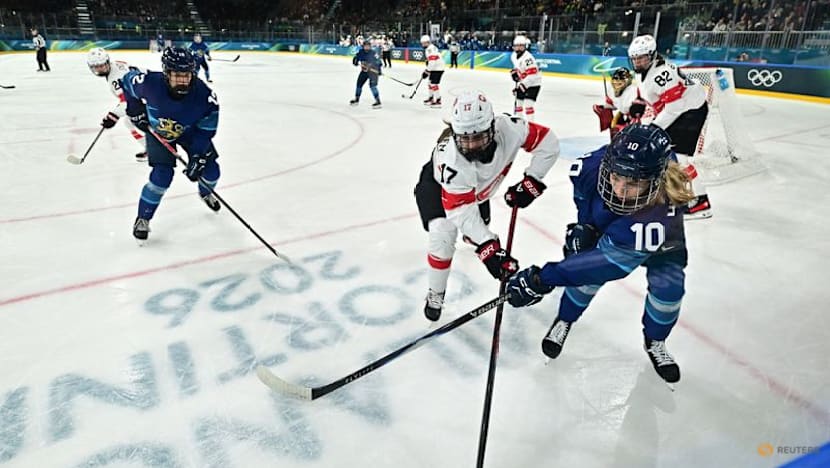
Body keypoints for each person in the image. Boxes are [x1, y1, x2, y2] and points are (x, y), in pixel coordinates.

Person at [507, 124, 694, 385]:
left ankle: (655, 340)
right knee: (583, 273)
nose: (619, 189)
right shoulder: (591, 167)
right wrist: (586, 226)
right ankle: (565, 318)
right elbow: (584, 198)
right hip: (614, 229)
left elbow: (608, 264)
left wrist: (543, 279)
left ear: (657, 180)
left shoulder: (661, 206)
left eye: (632, 183)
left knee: (668, 291)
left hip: (664, 243)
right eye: (615, 177)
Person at [414, 90, 560, 321]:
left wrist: (532, 180)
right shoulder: (449, 162)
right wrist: (488, 245)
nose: (471, 146)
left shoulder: (510, 129)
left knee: (479, 230)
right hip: (438, 186)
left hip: (478, 191)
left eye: (478, 137)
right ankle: (436, 292)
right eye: (464, 139)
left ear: (492, 128)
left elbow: (548, 143)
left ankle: (474, 236)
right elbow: (460, 211)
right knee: (442, 236)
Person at [120, 47, 221, 243]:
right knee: (161, 177)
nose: (183, 80)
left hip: (190, 133)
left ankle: (205, 192)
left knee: (212, 171)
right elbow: (126, 81)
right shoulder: (149, 83)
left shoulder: (204, 97)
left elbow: (207, 128)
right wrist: (135, 109)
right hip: (159, 134)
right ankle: (143, 217)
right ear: (166, 73)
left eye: (187, 75)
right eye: (177, 75)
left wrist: (198, 155)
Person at [628, 34, 711, 219]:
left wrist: (654, 128)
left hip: (691, 111)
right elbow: (654, 97)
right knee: (668, 154)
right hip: (682, 110)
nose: (637, 62)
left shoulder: (661, 73)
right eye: (634, 58)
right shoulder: (646, 71)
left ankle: (701, 201)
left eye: (641, 58)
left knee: (680, 158)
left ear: (652, 55)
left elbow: (674, 106)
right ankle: (677, 193)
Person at [86, 48, 148, 162]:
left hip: (148, 95)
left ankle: (155, 149)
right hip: (145, 92)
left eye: (102, 65)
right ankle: (150, 148)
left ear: (107, 62)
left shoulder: (116, 78)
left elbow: (127, 102)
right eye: (96, 67)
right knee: (129, 121)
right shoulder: (116, 65)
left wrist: (113, 116)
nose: (100, 69)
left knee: (136, 121)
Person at [592, 67, 648, 139]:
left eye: (620, 80)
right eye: (615, 80)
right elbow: (614, 105)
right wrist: (603, 108)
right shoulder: (611, 90)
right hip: (625, 116)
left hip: (637, 118)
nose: (617, 83)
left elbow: (641, 109)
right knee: (615, 130)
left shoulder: (634, 91)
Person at [510, 35, 541, 121]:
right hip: (524, 82)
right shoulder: (513, 56)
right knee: (518, 103)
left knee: (528, 105)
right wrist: (515, 73)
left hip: (534, 83)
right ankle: (519, 121)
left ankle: (531, 124)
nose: (519, 48)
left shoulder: (528, 58)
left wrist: (522, 85)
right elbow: (518, 68)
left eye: (521, 46)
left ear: (525, 47)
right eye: (517, 46)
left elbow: (532, 75)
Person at [349, 40, 382, 109]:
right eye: (365, 46)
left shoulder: (373, 53)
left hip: (373, 72)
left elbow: (379, 62)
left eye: (368, 46)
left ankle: (378, 101)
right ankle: (357, 99)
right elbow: (356, 58)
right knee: (359, 84)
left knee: (372, 86)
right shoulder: (361, 52)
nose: (367, 47)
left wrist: (379, 70)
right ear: (363, 46)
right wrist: (355, 61)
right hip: (364, 71)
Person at [420, 35, 445, 107]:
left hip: (438, 68)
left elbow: (432, 62)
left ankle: (438, 101)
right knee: (430, 83)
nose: (422, 45)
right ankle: (431, 98)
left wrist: (427, 71)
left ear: (427, 42)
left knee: (433, 84)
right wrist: (427, 69)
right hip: (435, 68)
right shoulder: (430, 48)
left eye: (423, 43)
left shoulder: (430, 49)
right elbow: (430, 61)